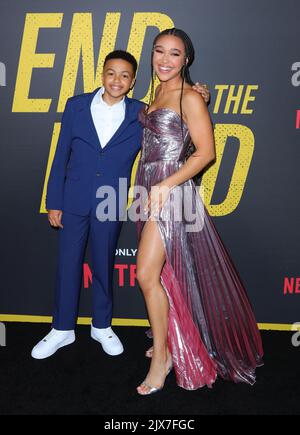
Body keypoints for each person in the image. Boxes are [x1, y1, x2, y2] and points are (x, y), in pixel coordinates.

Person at [31, 49, 210, 360]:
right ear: (102, 74)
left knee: (103, 263)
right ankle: (61, 329)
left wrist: (199, 94)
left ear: (133, 82)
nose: (117, 80)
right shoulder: (76, 106)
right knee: (67, 264)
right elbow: (60, 156)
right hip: (73, 199)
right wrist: (54, 201)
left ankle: (101, 325)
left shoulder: (141, 113)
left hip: (111, 201)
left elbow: (175, 129)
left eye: (125, 75)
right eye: (111, 73)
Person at [134, 28, 264, 395]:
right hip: (150, 188)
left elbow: (205, 154)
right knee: (164, 277)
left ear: (186, 60)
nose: (164, 60)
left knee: (146, 274)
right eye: (159, 51)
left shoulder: (191, 97)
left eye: (174, 54)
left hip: (170, 193)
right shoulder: (159, 92)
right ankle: (170, 338)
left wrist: (165, 186)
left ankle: (163, 357)